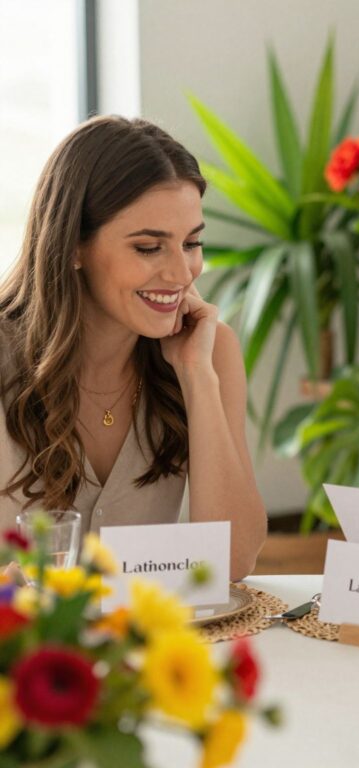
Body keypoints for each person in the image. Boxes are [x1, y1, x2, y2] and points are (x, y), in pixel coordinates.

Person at [0, 116, 266, 581]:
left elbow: (234, 562)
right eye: (149, 247)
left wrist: (196, 376)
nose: (182, 273)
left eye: (192, 243)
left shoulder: (209, 351)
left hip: (146, 646)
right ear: (73, 246)